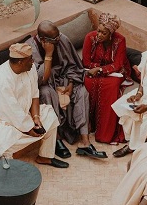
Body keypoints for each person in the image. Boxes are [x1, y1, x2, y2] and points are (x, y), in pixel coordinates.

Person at [0, 43, 68, 169]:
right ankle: (8, 174)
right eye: (30, 59)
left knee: (50, 115)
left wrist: (36, 117)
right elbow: (12, 112)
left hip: (21, 113)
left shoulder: (30, 68)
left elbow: (34, 95)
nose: (33, 61)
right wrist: (30, 129)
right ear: (20, 62)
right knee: (3, 143)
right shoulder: (1, 81)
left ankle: (45, 157)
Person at [27, 21, 107, 159]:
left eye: (58, 36)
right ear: (43, 40)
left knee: (82, 91)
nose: (59, 40)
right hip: (46, 84)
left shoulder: (62, 38)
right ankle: (56, 138)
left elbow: (74, 66)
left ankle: (85, 142)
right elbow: (41, 80)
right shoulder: (30, 47)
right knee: (47, 93)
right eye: (55, 39)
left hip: (65, 79)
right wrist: (49, 54)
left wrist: (70, 83)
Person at [83, 13, 131, 144]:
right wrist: (96, 69)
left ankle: (105, 134)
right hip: (93, 71)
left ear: (111, 33)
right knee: (89, 82)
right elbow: (86, 62)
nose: (99, 35)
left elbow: (118, 64)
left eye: (103, 33)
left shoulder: (120, 40)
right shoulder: (90, 37)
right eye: (98, 31)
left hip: (115, 73)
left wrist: (100, 70)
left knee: (111, 86)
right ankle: (90, 125)